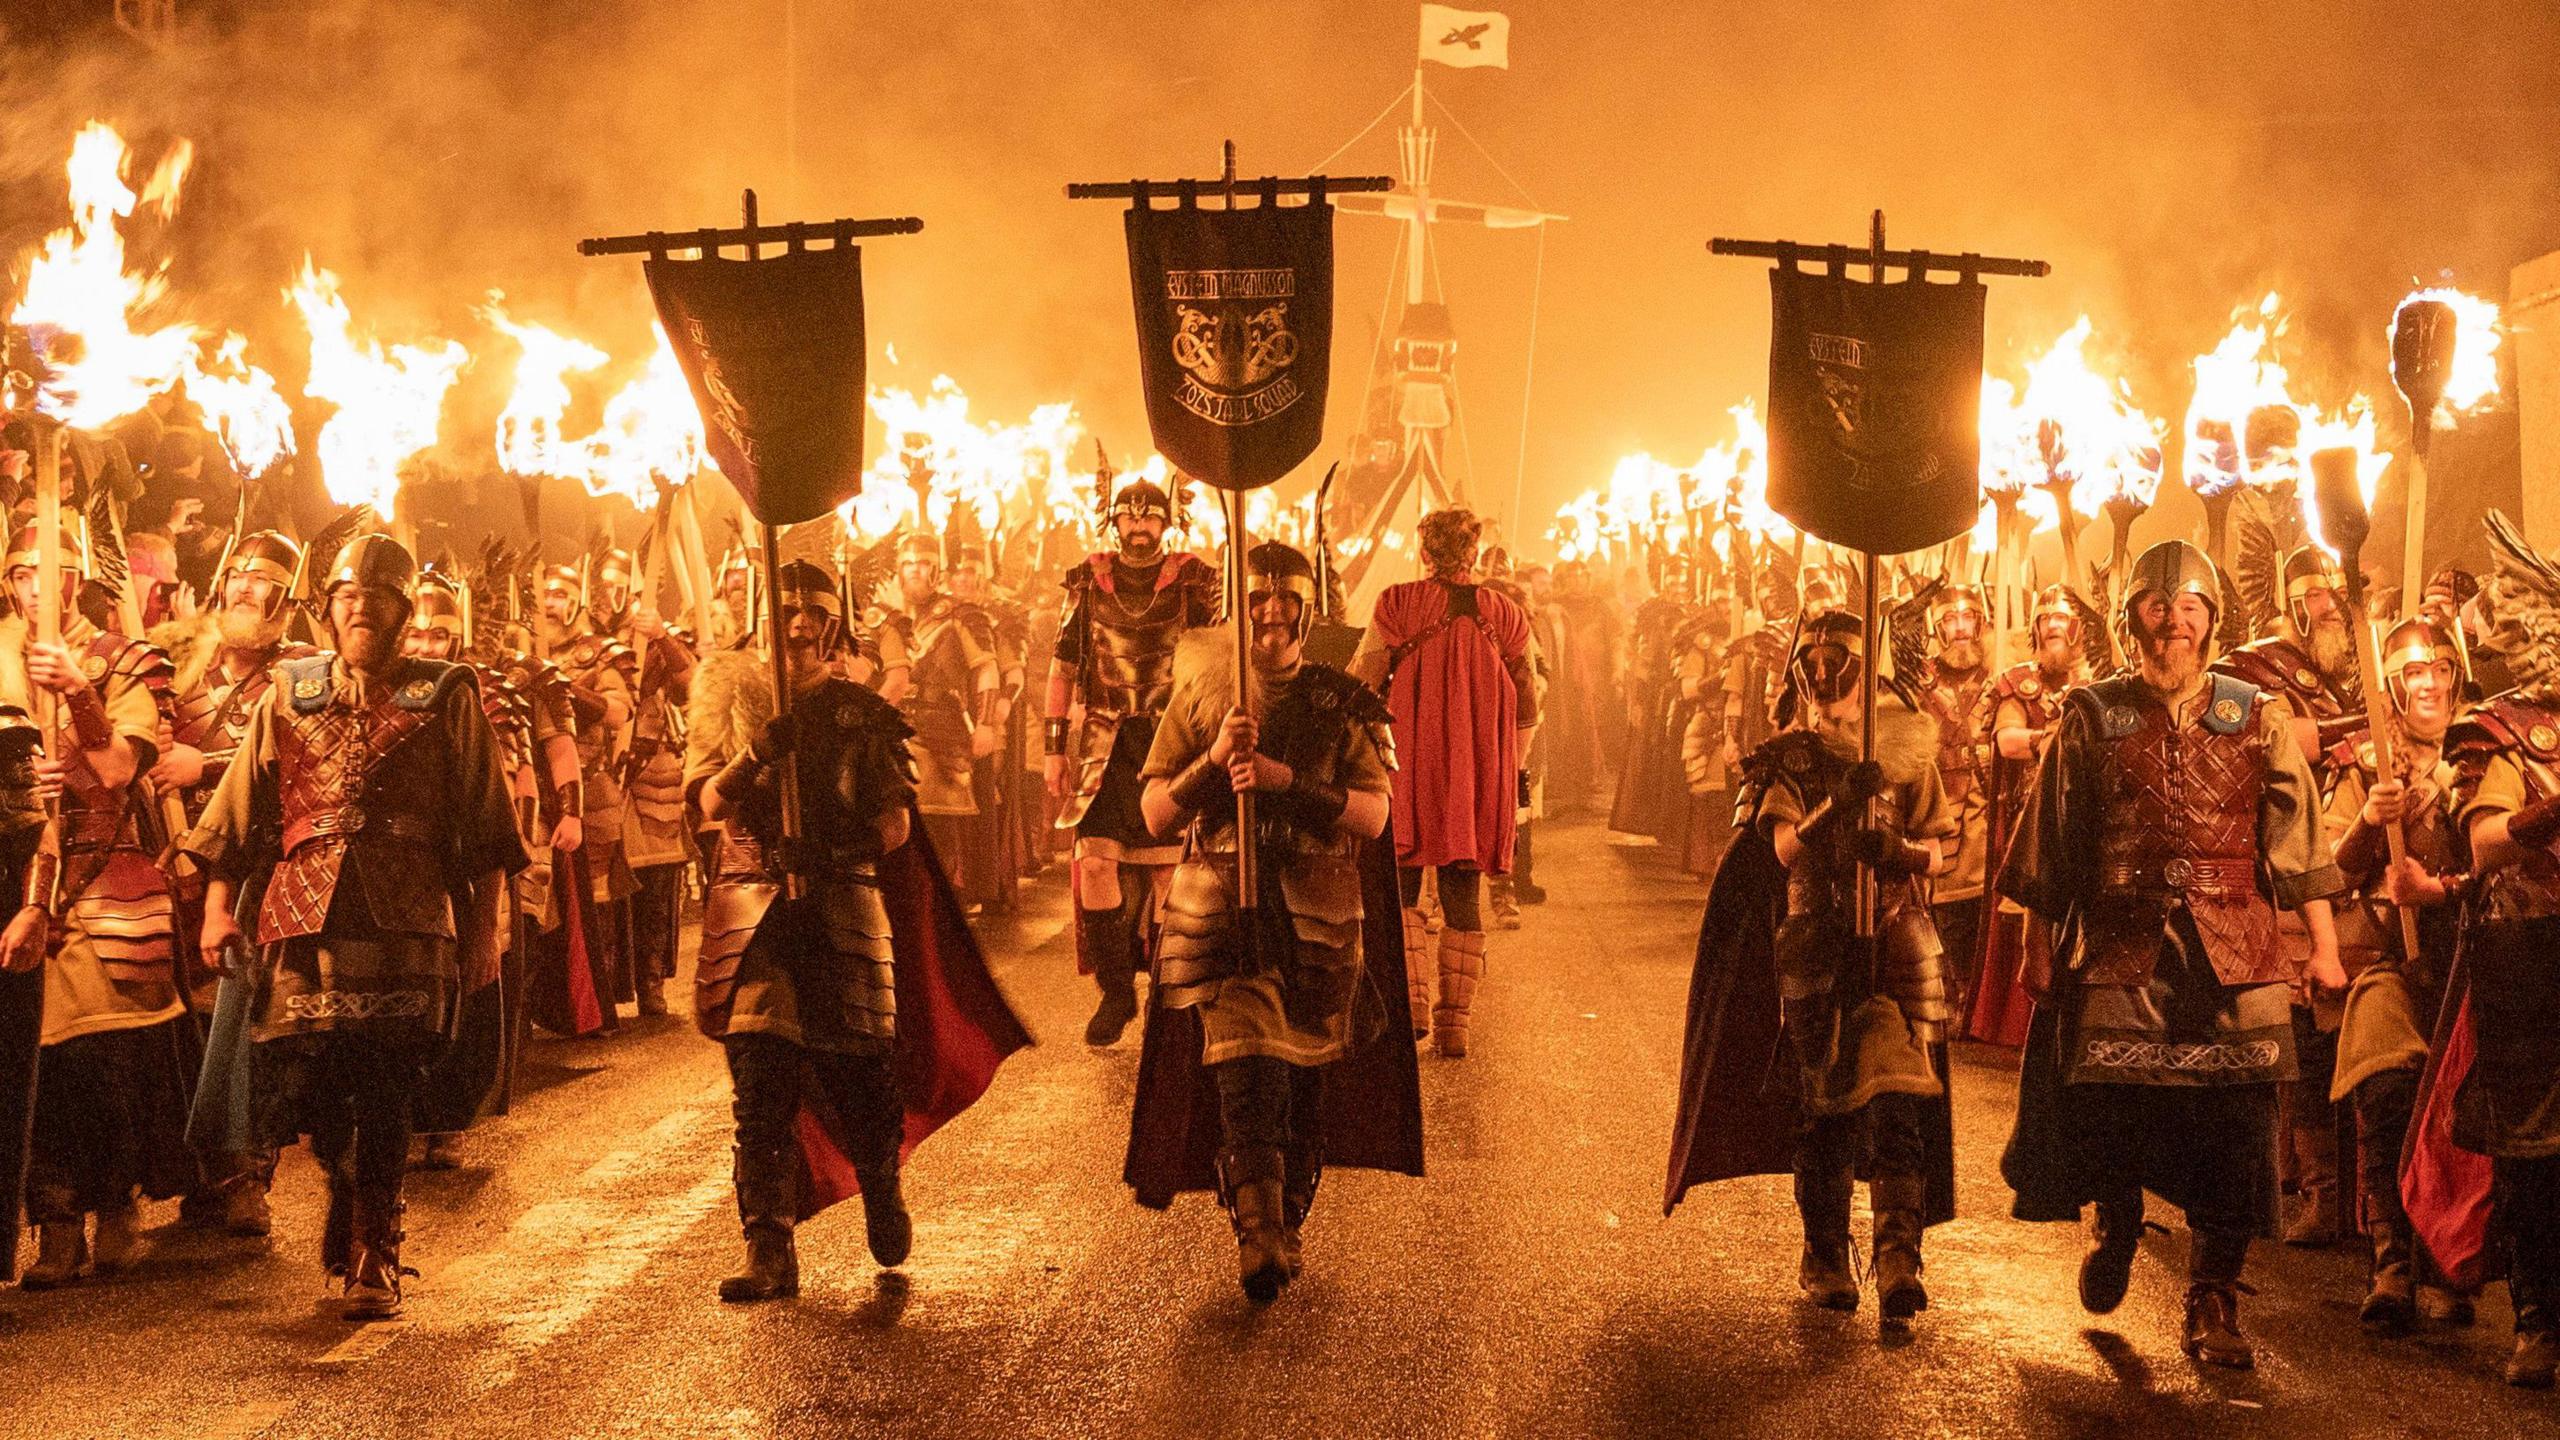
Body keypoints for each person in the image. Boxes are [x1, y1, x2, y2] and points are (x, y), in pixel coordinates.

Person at [2000, 539, 2346, 1369]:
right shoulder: (2090, 713)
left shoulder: (2254, 711)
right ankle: (2117, 1222)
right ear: (2131, 627)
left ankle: (2213, 1297)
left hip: (2237, 943)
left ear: (2210, 623)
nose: (2171, 629)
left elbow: (2297, 838)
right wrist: (2035, 945)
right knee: (2114, 1108)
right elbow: (2049, 842)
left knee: (2235, 1127)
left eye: (2188, 612)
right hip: (2122, 939)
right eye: (2156, 614)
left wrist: (2325, 948)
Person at [184, 533, 526, 1320]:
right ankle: (343, 1186)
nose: (360, 610)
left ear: (403, 613)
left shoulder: (447, 695)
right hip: (303, 921)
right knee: (308, 1088)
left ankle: (378, 1249)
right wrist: (213, 905)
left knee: (385, 1085)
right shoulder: (289, 691)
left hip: (407, 918)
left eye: (376, 600)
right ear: (330, 611)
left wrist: (483, 934)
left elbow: (488, 826)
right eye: (347, 599)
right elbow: (240, 809)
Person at [687, 557, 1030, 1302]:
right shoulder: (727, 696)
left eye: (813, 614)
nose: (800, 627)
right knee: (760, 1087)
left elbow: (897, 825)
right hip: (752, 909)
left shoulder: (860, 712)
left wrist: (834, 846)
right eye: (787, 613)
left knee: (860, 1080)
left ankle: (880, 1180)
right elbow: (708, 803)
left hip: (841, 907)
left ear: (833, 626)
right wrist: (757, 754)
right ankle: (768, 1247)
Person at [1667, 608, 1957, 1327]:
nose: (1825, 680)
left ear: (1869, 672)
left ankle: (1898, 1257)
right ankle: (1825, 1253)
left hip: (1894, 941)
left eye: (1841, 666)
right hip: (1817, 940)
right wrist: (1840, 804)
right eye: (1812, 668)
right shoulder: (1786, 759)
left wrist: (1903, 855)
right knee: (1825, 1103)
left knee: (1898, 1102)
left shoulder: (1909, 747)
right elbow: (1783, 851)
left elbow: (1943, 848)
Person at [1135, 540, 1403, 1300]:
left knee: (1302, 1079)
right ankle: (1255, 1234)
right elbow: (1154, 813)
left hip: (1316, 910)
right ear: (1238, 605)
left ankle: (1285, 1219)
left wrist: (1289, 782)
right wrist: (1213, 759)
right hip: (1220, 901)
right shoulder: (1199, 689)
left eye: (1286, 599)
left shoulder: (1337, 698)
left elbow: (1376, 815)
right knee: (1246, 1068)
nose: (1272, 613)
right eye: (1258, 599)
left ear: (1307, 606)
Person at [4, 523, 188, 1288]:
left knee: (101, 1056)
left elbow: (116, 768)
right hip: (18, 874)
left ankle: (115, 1205)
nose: (43, 586)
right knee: (29, 1057)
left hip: (108, 874)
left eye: (59, 570)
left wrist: (79, 690)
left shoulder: (125, 659)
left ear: (83, 579)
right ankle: (52, 1220)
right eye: (26, 572)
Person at [2424, 512, 2560, 1387]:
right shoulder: (2503, 729)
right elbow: (2482, 847)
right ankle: (2540, 1322)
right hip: (2529, 953)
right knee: (2538, 1147)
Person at [154, 530, 311, 1229]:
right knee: (178, 1021)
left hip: (260, 868)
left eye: (265, 581)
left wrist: (204, 765)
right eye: (239, 578)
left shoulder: (305, 669)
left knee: (244, 1024)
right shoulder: (177, 662)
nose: (248, 590)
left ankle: (249, 1174)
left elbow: (298, 757)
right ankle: (200, 1171)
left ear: (286, 597)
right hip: (173, 864)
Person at [2319, 616, 2467, 1335]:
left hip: (2468, 959)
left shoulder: (2485, 750)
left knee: (2466, 1102)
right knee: (2385, 1086)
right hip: (2387, 956)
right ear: (2393, 683)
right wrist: (2370, 825)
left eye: (2440, 668)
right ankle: (2391, 1260)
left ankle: (2451, 1259)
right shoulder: (2366, 759)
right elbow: (2325, 867)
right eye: (2413, 672)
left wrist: (2440, 885)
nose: (2429, 682)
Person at [2215, 544, 2363, 1246]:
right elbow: (2276, 739)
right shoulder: (2255, 668)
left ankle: (2359, 1198)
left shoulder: (2366, 662)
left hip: (2363, 876)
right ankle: (2313, 1188)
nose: (2330, 605)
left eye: (2337, 589)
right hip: (2286, 868)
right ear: (2291, 601)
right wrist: (2362, 730)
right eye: (2315, 593)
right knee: (2298, 1037)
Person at [1041, 475, 1220, 1044]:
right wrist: (1052, 751)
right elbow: (1062, 668)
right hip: (1102, 744)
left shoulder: (1195, 583)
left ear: (1166, 524)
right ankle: (1117, 992)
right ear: (1113, 521)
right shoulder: (1088, 584)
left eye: (1150, 518)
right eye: (1129, 517)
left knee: (1171, 873)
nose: (1139, 527)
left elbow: (1215, 663)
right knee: (1094, 863)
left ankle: (1172, 999)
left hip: (1171, 740)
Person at [1351, 508, 1534, 1058]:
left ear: (1425, 553)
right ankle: (1455, 1026)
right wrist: (1513, 768)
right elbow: (1528, 703)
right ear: (1473, 554)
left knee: (1403, 889)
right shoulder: (1507, 613)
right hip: (1480, 770)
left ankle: (1410, 1013)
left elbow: (1363, 682)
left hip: (1408, 763)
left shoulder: (1397, 603)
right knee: (1462, 891)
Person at [1966, 585, 2095, 1047]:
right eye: (2046, 621)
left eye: (2063, 620)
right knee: (2027, 916)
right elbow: (2007, 741)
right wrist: (2051, 739)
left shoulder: (2102, 682)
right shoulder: (2019, 683)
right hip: (2029, 812)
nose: (2054, 627)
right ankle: (2015, 1024)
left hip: (2086, 817)